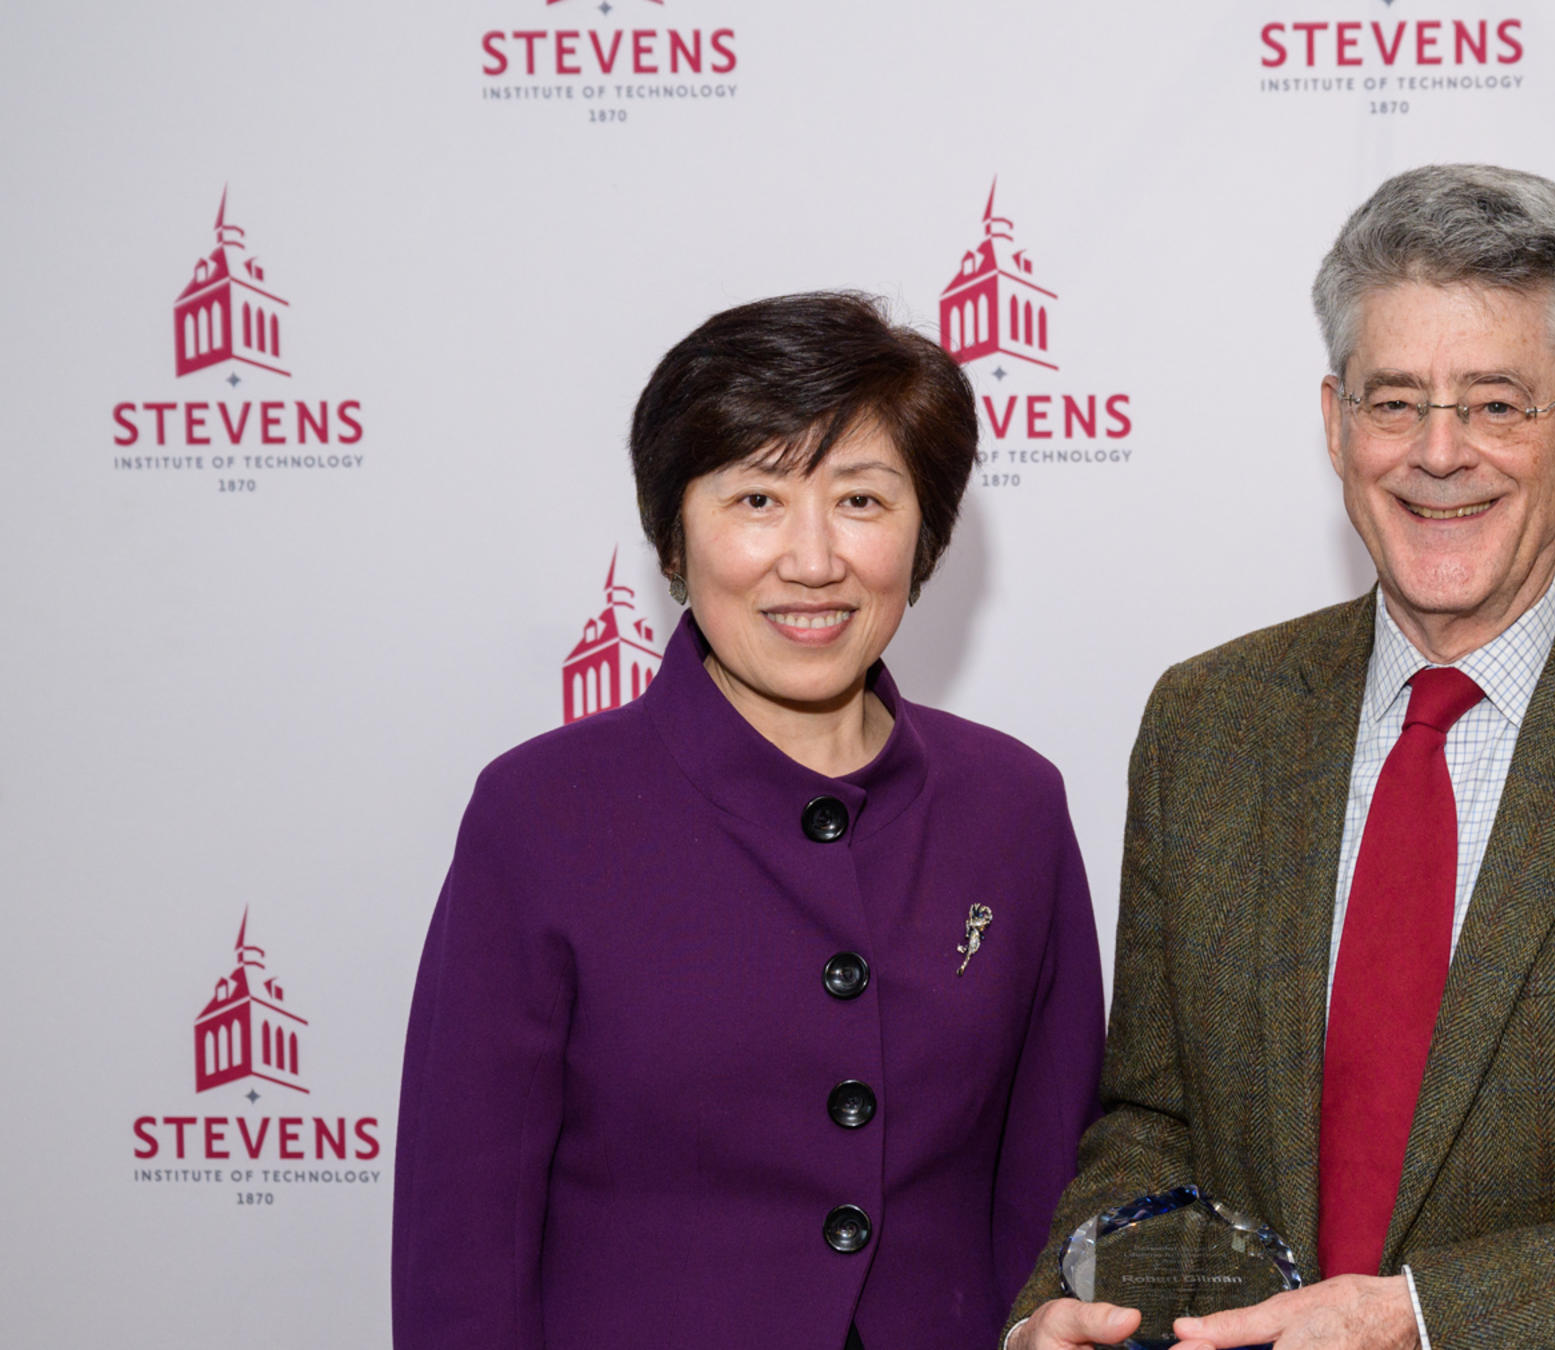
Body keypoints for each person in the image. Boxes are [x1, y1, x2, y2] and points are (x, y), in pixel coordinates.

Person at [1009, 165, 1555, 1350]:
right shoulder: (1207, 724)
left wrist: (1428, 1321)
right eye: (1394, 403)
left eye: (1496, 405)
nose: (1439, 454)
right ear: (1335, 425)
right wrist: (1071, 1309)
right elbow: (1155, 1125)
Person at [393, 292, 1106, 1350]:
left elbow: (1051, 1188)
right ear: (674, 537)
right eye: (759, 500)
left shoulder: (1015, 806)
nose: (813, 560)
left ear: (926, 533)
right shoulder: (540, 817)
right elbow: (465, 1249)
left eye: (863, 501)